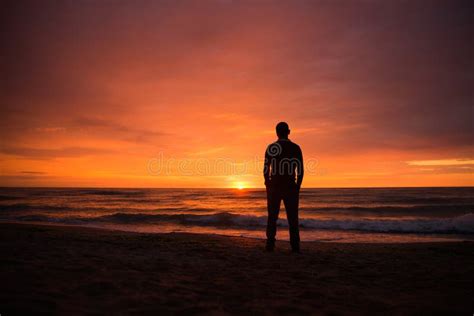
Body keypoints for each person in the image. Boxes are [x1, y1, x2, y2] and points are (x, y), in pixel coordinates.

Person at [263, 122, 304, 253]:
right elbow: (301, 170)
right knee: (292, 218)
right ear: (289, 132)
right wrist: (298, 185)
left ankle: (270, 244)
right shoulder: (296, 148)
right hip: (291, 187)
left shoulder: (271, 147)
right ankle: (295, 246)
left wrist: (267, 183)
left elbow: (265, 169)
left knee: (272, 217)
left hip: (274, 187)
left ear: (276, 133)